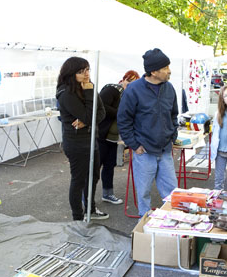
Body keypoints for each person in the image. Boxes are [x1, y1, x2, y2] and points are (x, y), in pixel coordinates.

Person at [117, 48, 178, 216]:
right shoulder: (133, 90)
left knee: (173, 193)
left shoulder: (169, 88)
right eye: (165, 67)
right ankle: (143, 225)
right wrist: (134, 145)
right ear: (153, 71)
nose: (169, 71)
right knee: (143, 193)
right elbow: (123, 120)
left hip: (164, 150)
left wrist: (172, 136)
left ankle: (174, 224)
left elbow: (174, 114)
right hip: (143, 152)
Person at [56, 57, 108, 221]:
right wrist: (88, 94)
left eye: (87, 69)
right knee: (78, 180)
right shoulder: (66, 93)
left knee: (93, 177)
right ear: (71, 74)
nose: (86, 74)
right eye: (81, 71)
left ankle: (90, 209)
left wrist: (86, 121)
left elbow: (101, 112)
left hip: (91, 140)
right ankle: (77, 217)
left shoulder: (88, 86)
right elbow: (89, 114)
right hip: (76, 144)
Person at [98, 70, 139, 205]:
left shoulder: (128, 95)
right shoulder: (112, 89)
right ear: (124, 79)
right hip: (101, 135)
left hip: (113, 137)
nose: (131, 85)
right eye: (130, 82)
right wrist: (121, 113)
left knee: (109, 165)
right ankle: (86, 197)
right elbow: (101, 106)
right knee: (94, 167)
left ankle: (108, 194)